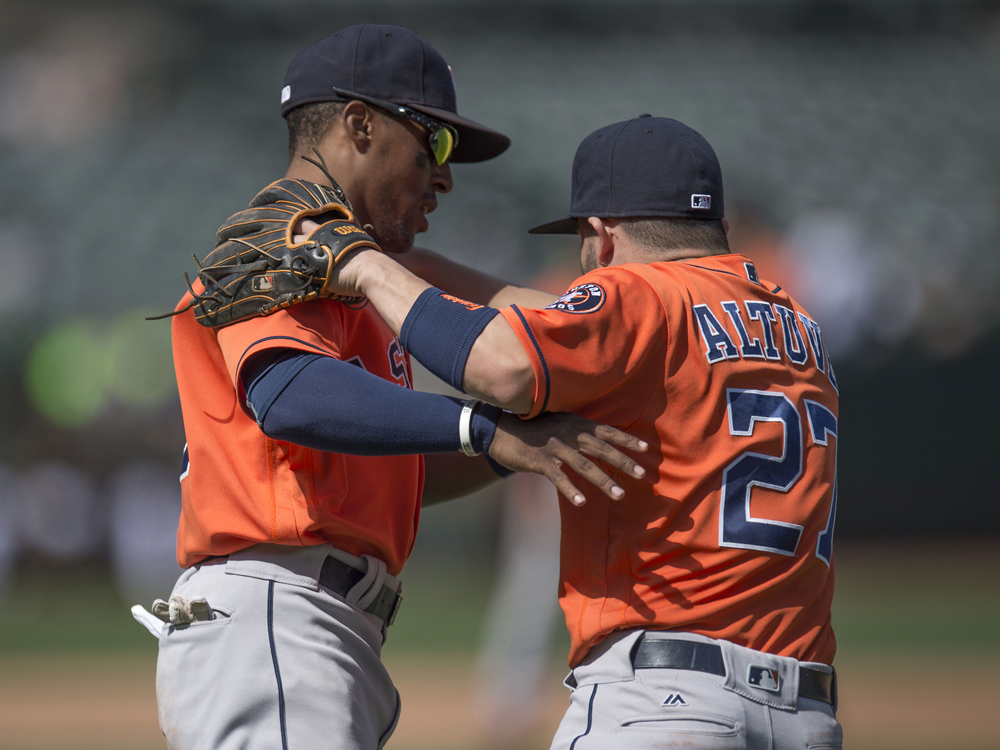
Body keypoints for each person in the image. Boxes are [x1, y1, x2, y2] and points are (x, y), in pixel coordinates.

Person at [151, 25, 646, 750]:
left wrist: (515, 447)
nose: (445, 176)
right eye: (434, 145)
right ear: (358, 124)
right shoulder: (282, 244)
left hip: (311, 623)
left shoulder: (363, 262)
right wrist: (483, 427)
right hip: (272, 618)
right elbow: (291, 395)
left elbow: (403, 458)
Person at [312, 115, 844, 749]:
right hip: (805, 713)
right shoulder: (794, 323)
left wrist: (364, 268)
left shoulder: (639, 298)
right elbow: (540, 309)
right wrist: (411, 263)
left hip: (670, 701)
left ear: (602, 233)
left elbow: (500, 367)